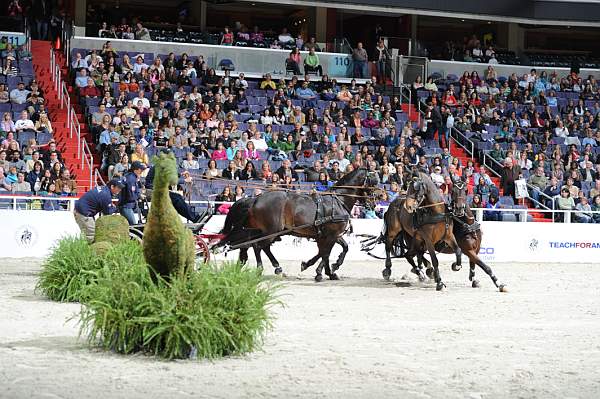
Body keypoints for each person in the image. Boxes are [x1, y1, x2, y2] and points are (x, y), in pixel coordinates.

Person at [119, 161, 146, 225]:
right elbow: (130, 196)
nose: (142, 171)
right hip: (126, 206)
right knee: (133, 226)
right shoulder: (131, 179)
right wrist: (139, 196)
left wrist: (139, 194)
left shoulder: (131, 176)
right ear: (135, 170)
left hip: (127, 205)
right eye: (140, 169)